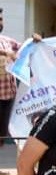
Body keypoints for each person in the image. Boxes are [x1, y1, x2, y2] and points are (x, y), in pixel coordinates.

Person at [0, 8, 21, 139]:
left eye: (1, 19)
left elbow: (24, 48)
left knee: (2, 135)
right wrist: (6, 53)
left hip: (8, 95)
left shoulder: (7, 41)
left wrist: (35, 41)